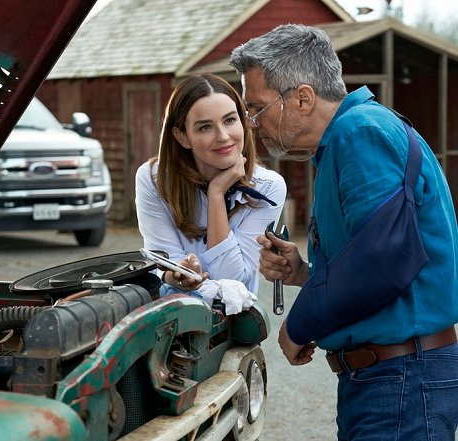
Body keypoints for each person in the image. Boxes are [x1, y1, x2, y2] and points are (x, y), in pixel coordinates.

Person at [230, 24, 458, 440]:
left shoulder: (361, 133)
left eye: (256, 108)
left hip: (399, 376)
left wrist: (300, 324)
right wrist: (302, 272)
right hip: (391, 374)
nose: (251, 124)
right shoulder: (348, 138)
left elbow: (383, 259)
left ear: (301, 97)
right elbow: (373, 254)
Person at [135, 73, 286, 314]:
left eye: (229, 120)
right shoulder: (154, 179)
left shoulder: (268, 186)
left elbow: (234, 282)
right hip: (173, 315)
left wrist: (217, 194)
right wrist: (177, 275)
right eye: (205, 127)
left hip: (233, 327)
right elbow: (163, 262)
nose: (223, 136)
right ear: (182, 136)